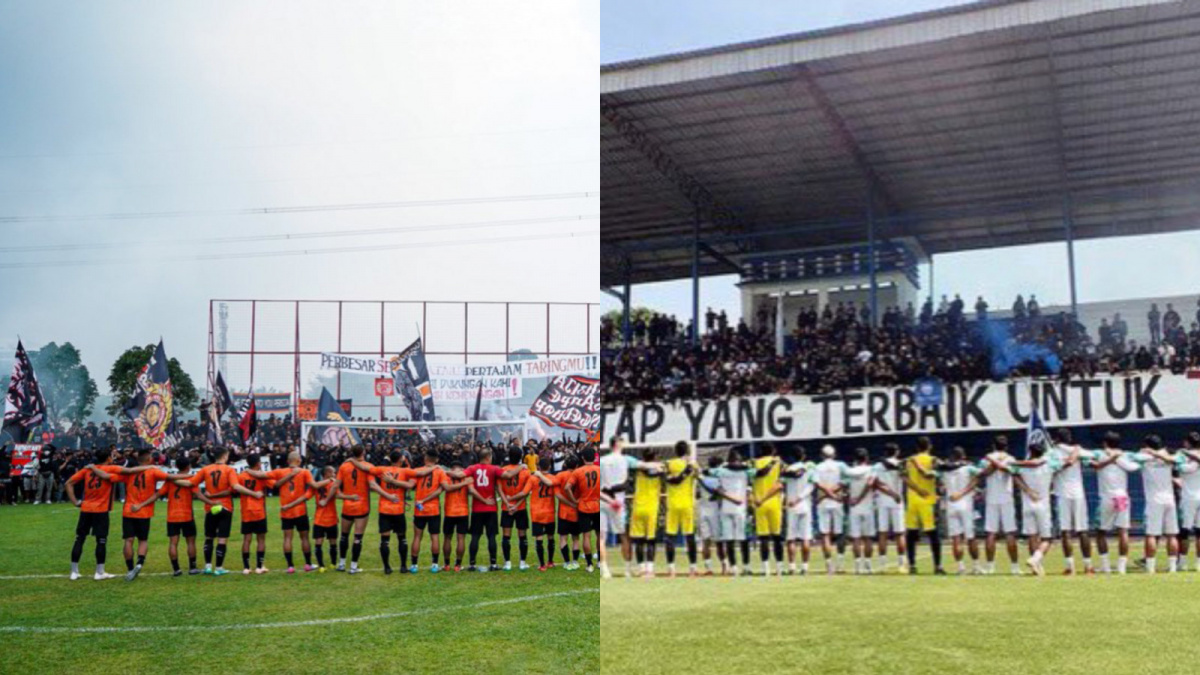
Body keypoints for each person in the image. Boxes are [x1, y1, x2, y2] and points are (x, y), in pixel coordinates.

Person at [111, 448, 184, 581]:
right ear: (149, 459)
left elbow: (111, 476)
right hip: (144, 511)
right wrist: (191, 475)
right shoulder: (153, 471)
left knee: (128, 540)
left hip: (129, 509)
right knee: (143, 540)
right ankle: (139, 564)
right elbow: (171, 477)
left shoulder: (130, 473)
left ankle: (130, 568)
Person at [64, 448, 122, 581]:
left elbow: (68, 483)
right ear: (108, 458)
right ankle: (99, 572)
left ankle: (74, 572)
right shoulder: (111, 469)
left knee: (80, 538)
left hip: (86, 508)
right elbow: (127, 471)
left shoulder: (87, 469)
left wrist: (75, 502)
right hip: (101, 510)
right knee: (101, 541)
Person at [269, 450, 328, 573]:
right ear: (299, 460)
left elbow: (270, 480)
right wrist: (331, 480)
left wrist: (249, 471)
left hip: (286, 511)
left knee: (287, 538)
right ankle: (308, 564)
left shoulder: (280, 472)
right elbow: (315, 486)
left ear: (288, 461)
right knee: (304, 538)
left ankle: (290, 566)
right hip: (300, 511)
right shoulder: (304, 471)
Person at [1089, 431, 1139, 574]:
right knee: (1123, 531)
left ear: (1105, 443)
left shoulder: (1101, 454)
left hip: (1108, 497)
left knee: (1101, 532)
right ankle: (1121, 567)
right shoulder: (1124, 456)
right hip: (1122, 497)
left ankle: (1105, 566)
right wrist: (1116, 458)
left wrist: (1113, 458)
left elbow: (1093, 462)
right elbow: (1133, 467)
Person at [189, 446, 240, 575]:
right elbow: (232, 489)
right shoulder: (229, 470)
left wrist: (206, 496)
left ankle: (207, 566)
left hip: (210, 508)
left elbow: (191, 483)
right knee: (222, 538)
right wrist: (215, 496)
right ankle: (218, 568)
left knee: (209, 537)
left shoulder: (205, 469)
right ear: (225, 456)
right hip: (225, 506)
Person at [1132, 435, 1180, 573]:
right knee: (1172, 535)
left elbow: (1134, 457)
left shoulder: (1145, 458)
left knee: (1151, 535)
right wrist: (1157, 454)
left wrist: (1149, 453)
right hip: (1169, 500)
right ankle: (1172, 568)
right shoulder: (1168, 456)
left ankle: (1150, 567)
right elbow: (1175, 459)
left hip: (1154, 501)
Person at [366, 450, 417, 575]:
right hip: (398, 509)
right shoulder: (405, 471)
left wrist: (352, 460)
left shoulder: (382, 469)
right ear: (401, 460)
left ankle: (387, 567)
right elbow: (415, 477)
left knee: (385, 540)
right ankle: (404, 566)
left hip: (384, 509)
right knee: (402, 539)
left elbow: (368, 469)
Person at [979, 437, 1022, 575]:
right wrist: (998, 463)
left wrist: (993, 461)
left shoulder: (987, 459)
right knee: (1008, 533)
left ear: (993, 445)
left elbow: (986, 473)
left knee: (992, 533)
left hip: (995, 498)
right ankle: (1014, 567)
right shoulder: (1010, 458)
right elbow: (985, 473)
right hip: (1005, 498)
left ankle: (991, 567)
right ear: (1006, 446)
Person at [154, 456, 203, 576]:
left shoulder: (170, 480)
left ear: (176, 467)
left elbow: (159, 494)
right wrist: (211, 501)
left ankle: (176, 569)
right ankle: (192, 568)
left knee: (173, 543)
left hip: (172, 516)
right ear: (188, 467)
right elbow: (198, 495)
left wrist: (143, 503)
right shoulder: (191, 479)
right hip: (187, 515)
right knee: (191, 542)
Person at [904, 437, 944, 575]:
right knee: (933, 534)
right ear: (929, 446)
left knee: (911, 533)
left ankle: (912, 565)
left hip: (912, 500)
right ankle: (937, 566)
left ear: (916, 447)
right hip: (928, 500)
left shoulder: (908, 460)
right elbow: (931, 475)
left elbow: (904, 478)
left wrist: (916, 489)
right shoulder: (933, 460)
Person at [712, 449, 754, 576]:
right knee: (743, 540)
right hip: (740, 509)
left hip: (726, 508)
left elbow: (709, 471)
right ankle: (745, 566)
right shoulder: (746, 471)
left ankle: (734, 567)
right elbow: (758, 472)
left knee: (729, 540)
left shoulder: (721, 471)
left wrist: (724, 465)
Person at [941, 447, 981, 575]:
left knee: (956, 538)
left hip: (951, 505)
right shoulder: (968, 468)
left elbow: (934, 476)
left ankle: (960, 567)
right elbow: (981, 473)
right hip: (965, 505)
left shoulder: (944, 470)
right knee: (971, 537)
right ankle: (976, 567)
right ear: (963, 456)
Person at [336, 446, 376, 574]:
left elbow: (336, 485)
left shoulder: (344, 466)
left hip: (347, 506)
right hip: (362, 506)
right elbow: (372, 485)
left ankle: (341, 564)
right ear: (363, 452)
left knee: (343, 536)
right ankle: (353, 566)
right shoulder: (368, 466)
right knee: (357, 538)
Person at [661, 441, 698, 578]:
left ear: (675, 451)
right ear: (687, 451)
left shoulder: (669, 463)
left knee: (670, 537)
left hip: (672, 504)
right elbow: (698, 476)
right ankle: (693, 568)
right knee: (690, 536)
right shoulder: (692, 465)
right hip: (687, 504)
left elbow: (665, 478)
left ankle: (671, 569)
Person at [234, 455, 275, 575]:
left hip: (246, 511)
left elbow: (234, 489)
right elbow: (274, 484)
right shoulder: (261, 477)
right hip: (259, 512)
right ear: (257, 464)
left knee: (247, 539)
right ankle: (259, 566)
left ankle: (246, 567)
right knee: (261, 539)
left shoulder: (241, 476)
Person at [625, 449, 663, 577]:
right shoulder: (660, 470)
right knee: (651, 540)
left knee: (639, 541)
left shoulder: (638, 469)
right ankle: (650, 569)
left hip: (638, 507)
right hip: (652, 508)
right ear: (655, 457)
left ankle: (641, 569)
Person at [410, 448, 448, 573]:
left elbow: (411, 485)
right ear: (437, 459)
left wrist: (422, 499)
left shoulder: (418, 470)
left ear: (425, 458)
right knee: (435, 537)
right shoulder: (440, 472)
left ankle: (414, 565)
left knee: (417, 537)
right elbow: (441, 489)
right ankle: (435, 565)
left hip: (419, 509)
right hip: (433, 509)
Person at [750, 443, 784, 576]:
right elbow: (779, 484)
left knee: (763, 537)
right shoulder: (778, 463)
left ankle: (766, 569)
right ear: (773, 451)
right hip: (773, 502)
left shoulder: (753, 463)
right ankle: (779, 568)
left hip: (759, 503)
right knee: (776, 536)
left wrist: (757, 499)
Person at [779, 450, 814, 575]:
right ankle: (805, 567)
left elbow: (782, 486)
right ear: (803, 456)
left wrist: (786, 501)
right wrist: (799, 498)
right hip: (804, 504)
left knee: (791, 538)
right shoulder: (808, 468)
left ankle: (792, 567)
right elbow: (811, 487)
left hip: (791, 505)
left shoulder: (788, 470)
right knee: (806, 537)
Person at [873, 444, 907, 573]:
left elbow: (876, 484)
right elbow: (905, 479)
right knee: (899, 533)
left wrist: (889, 493)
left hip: (882, 501)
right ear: (896, 452)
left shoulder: (877, 466)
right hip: (897, 500)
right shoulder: (901, 464)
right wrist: (894, 494)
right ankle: (901, 565)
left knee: (883, 533)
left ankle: (882, 565)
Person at [497, 447, 532, 572]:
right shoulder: (525, 471)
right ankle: (522, 562)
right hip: (520, 507)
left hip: (507, 508)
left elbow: (499, 489)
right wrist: (516, 505)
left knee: (506, 535)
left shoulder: (503, 470)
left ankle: (507, 563)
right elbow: (525, 492)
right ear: (521, 456)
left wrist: (507, 503)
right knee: (522, 535)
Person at [569, 448, 601, 573]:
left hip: (583, 506)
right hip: (597, 505)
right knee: (599, 535)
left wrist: (574, 500)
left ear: (583, 458)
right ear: (594, 457)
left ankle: (589, 564)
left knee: (586, 536)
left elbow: (567, 487)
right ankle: (599, 562)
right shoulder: (600, 470)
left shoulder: (578, 471)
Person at [311, 466, 348, 572]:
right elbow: (339, 495)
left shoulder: (317, 485)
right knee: (333, 542)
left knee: (319, 542)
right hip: (331, 518)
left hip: (319, 518)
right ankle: (333, 563)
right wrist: (351, 497)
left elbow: (307, 495)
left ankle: (322, 566)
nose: (335, 474)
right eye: (333, 472)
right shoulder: (333, 484)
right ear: (327, 473)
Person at [440, 457, 473, 572]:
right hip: (462, 511)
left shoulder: (447, 476)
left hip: (450, 511)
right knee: (461, 538)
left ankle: (447, 564)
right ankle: (458, 565)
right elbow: (471, 491)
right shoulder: (466, 477)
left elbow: (447, 488)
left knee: (447, 538)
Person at [529, 456, 558, 572]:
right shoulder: (553, 478)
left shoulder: (533, 479)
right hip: (549, 512)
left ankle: (542, 565)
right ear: (550, 466)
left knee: (539, 538)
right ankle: (550, 561)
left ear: (538, 467)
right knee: (551, 537)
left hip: (537, 513)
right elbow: (557, 493)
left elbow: (525, 492)